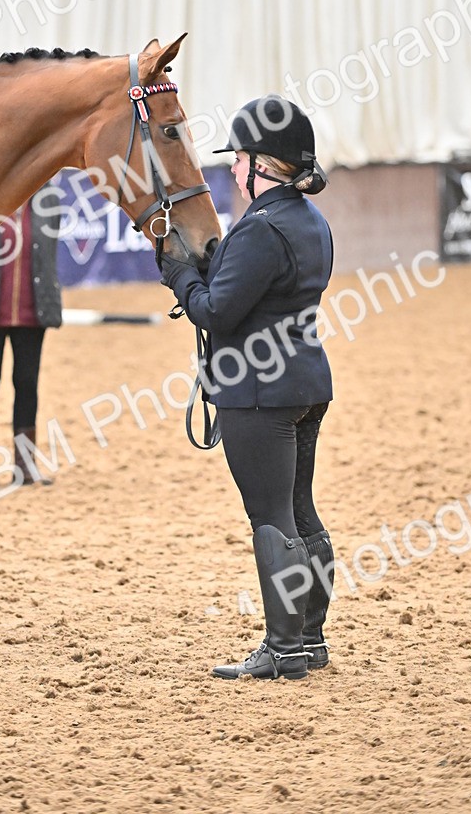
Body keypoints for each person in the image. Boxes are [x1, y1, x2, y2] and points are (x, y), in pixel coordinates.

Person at [159, 96, 335, 681]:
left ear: (263, 164)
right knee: (301, 511)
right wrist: (205, 273)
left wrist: (178, 275)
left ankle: (282, 650)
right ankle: (309, 639)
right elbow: (255, 289)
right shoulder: (310, 221)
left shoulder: (260, 228)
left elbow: (216, 311)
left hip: (259, 393)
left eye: (238, 159)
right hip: (305, 382)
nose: (233, 169)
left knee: (271, 518)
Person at [0, 184, 62, 488]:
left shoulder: (48, 199)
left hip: (34, 311)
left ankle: (25, 464)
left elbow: (49, 256)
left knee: (27, 384)